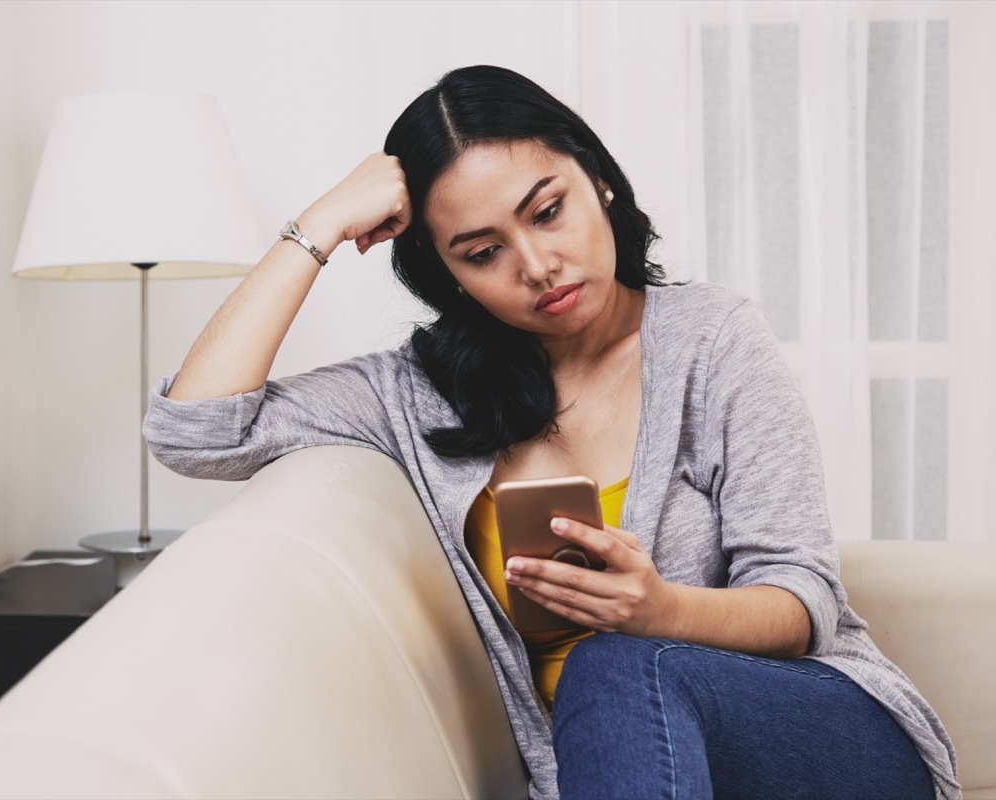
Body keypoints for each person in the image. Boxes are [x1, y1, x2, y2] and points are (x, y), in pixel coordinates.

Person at [142, 65, 958, 800]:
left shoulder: (713, 340)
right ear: (446, 273)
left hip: (823, 739)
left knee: (612, 660)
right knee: (612, 673)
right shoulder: (415, 397)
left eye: (548, 210)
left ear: (596, 179)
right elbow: (194, 431)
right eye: (483, 250)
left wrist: (659, 609)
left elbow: (802, 599)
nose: (536, 265)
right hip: (624, 772)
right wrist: (317, 224)